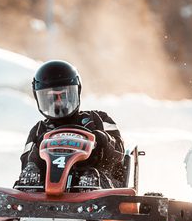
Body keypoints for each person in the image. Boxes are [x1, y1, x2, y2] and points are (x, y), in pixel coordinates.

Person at [19, 60, 126, 188]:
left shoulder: (98, 119)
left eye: (63, 96)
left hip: (99, 183)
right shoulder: (39, 130)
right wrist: (37, 154)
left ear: (76, 93)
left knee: (92, 174)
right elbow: (26, 163)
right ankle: (22, 198)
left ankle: (88, 187)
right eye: (52, 98)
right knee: (29, 175)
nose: (58, 103)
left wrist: (101, 139)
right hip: (45, 189)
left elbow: (120, 155)